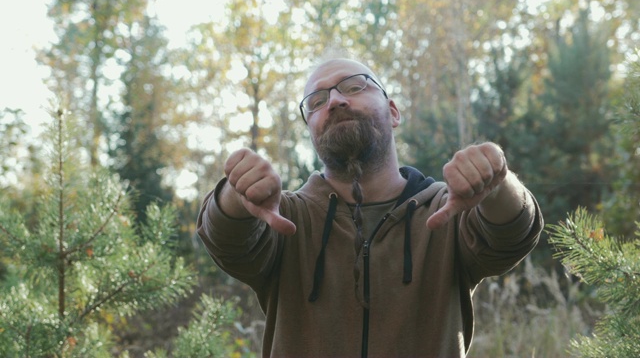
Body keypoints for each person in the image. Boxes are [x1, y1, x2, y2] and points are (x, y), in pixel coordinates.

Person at [197, 57, 543, 357]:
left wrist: (496, 184)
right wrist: (235, 194)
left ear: (393, 111)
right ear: (312, 131)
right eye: (316, 101)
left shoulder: (445, 211)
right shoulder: (286, 217)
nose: (333, 101)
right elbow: (226, 238)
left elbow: (513, 234)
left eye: (353, 86)